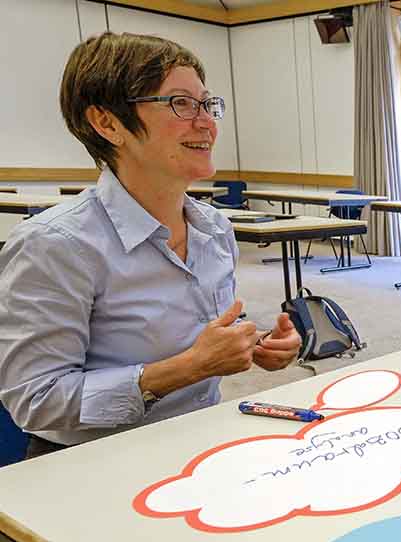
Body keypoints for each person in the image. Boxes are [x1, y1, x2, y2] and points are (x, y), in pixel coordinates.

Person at [0, 32, 301, 458]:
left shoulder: (214, 229)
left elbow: (200, 333)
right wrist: (188, 368)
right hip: (93, 464)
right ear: (107, 124)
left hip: (198, 440)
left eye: (207, 104)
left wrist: (255, 344)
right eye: (180, 103)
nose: (206, 123)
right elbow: (36, 402)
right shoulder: (54, 245)